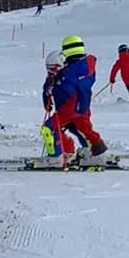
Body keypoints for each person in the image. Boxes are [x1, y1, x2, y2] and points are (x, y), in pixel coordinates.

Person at [50, 34, 108, 165]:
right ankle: (94, 150)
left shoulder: (71, 70)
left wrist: (55, 83)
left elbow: (66, 87)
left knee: (51, 127)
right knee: (82, 128)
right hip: (82, 105)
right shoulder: (86, 65)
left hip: (70, 107)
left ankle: (57, 154)